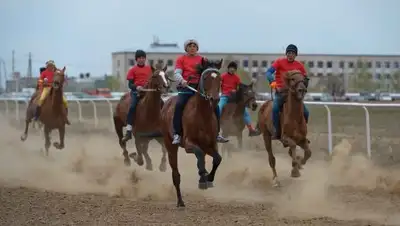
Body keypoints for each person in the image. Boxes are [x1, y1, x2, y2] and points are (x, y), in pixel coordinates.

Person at [171, 39, 229, 145]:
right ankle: (177, 134)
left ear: (197, 48)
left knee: (215, 107)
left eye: (194, 46)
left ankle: (217, 133)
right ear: (186, 48)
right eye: (190, 46)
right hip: (186, 88)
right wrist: (182, 80)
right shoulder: (181, 59)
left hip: (200, 89)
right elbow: (176, 73)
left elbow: (208, 74)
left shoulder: (203, 59)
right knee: (179, 105)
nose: (192, 48)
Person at [265, 44, 309, 139]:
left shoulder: (299, 66)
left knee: (306, 112)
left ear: (295, 55)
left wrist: (305, 84)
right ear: (286, 54)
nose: (290, 55)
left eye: (293, 53)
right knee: (275, 108)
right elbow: (268, 72)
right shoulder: (279, 62)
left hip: (294, 95)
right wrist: (273, 82)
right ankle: (276, 131)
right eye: (289, 53)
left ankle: (302, 132)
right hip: (281, 92)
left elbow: (305, 78)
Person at [218, 61, 260, 136]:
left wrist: (249, 85)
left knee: (245, 112)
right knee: (219, 107)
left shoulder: (236, 78)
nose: (232, 69)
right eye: (231, 68)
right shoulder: (223, 76)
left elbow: (241, 87)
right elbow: (218, 83)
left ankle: (251, 129)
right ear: (228, 69)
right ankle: (216, 127)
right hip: (225, 96)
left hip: (234, 97)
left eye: (234, 68)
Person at [122, 50, 152, 142]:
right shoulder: (132, 70)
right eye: (139, 58)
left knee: (161, 104)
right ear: (136, 59)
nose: (141, 60)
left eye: (143, 58)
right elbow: (130, 85)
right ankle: (129, 130)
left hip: (148, 92)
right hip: (136, 92)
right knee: (132, 107)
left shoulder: (150, 69)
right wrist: (137, 87)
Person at [34, 60, 70, 125]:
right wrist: (43, 83)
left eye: (51, 65)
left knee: (65, 101)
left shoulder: (56, 72)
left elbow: (61, 76)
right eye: (49, 65)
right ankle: (37, 116)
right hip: (46, 88)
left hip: (55, 88)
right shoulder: (44, 73)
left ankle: (65, 118)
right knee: (41, 99)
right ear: (47, 66)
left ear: (53, 66)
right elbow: (40, 81)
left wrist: (64, 80)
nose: (50, 66)